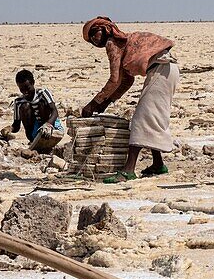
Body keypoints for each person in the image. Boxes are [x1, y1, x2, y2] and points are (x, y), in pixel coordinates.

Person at [79, 16, 180, 182]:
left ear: (104, 29)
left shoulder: (112, 43)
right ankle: (158, 164)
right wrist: (106, 102)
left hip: (161, 69)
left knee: (141, 119)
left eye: (94, 34)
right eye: (91, 40)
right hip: (169, 70)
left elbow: (114, 79)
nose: (94, 40)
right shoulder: (121, 44)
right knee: (150, 116)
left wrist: (94, 103)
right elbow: (126, 80)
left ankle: (128, 170)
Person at [10, 69, 63, 152]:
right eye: (22, 89)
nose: (25, 92)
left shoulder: (43, 93)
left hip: (52, 126)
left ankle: (46, 131)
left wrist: (48, 124)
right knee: (25, 106)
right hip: (35, 130)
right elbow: (16, 125)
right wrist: (8, 129)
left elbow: (54, 111)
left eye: (27, 88)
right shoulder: (18, 102)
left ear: (33, 83)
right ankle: (33, 139)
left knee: (40, 103)